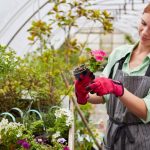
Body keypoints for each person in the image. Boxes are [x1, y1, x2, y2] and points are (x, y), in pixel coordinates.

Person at [74, 3, 150, 150]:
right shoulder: (119, 54)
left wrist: (118, 89)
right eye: (143, 23)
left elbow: (146, 111)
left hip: (141, 142)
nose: (145, 32)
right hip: (112, 138)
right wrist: (85, 94)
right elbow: (104, 96)